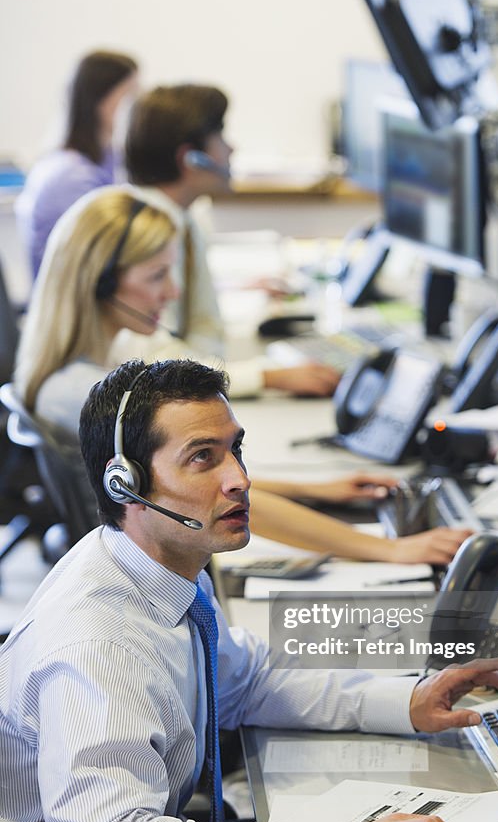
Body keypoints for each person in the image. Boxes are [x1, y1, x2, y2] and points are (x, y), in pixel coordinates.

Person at [0, 355, 498, 822]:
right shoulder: (99, 645)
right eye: (203, 458)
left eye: (235, 450)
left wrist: (405, 700)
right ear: (127, 485)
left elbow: (245, 682)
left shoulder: (154, 571)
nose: (240, 479)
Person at [13, 186, 471, 564]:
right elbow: (208, 495)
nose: (171, 292)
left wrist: (311, 489)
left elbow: (176, 482)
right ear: (101, 282)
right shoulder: (88, 396)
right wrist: (388, 550)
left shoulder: (73, 375)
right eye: (156, 276)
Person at [104, 82, 340, 400]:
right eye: (220, 137)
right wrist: (268, 376)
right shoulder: (148, 233)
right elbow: (153, 361)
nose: (231, 149)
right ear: (192, 158)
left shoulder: (184, 216)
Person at [15, 49, 139, 279]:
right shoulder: (71, 176)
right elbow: (102, 264)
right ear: (101, 100)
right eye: (130, 96)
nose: (137, 109)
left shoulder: (106, 159)